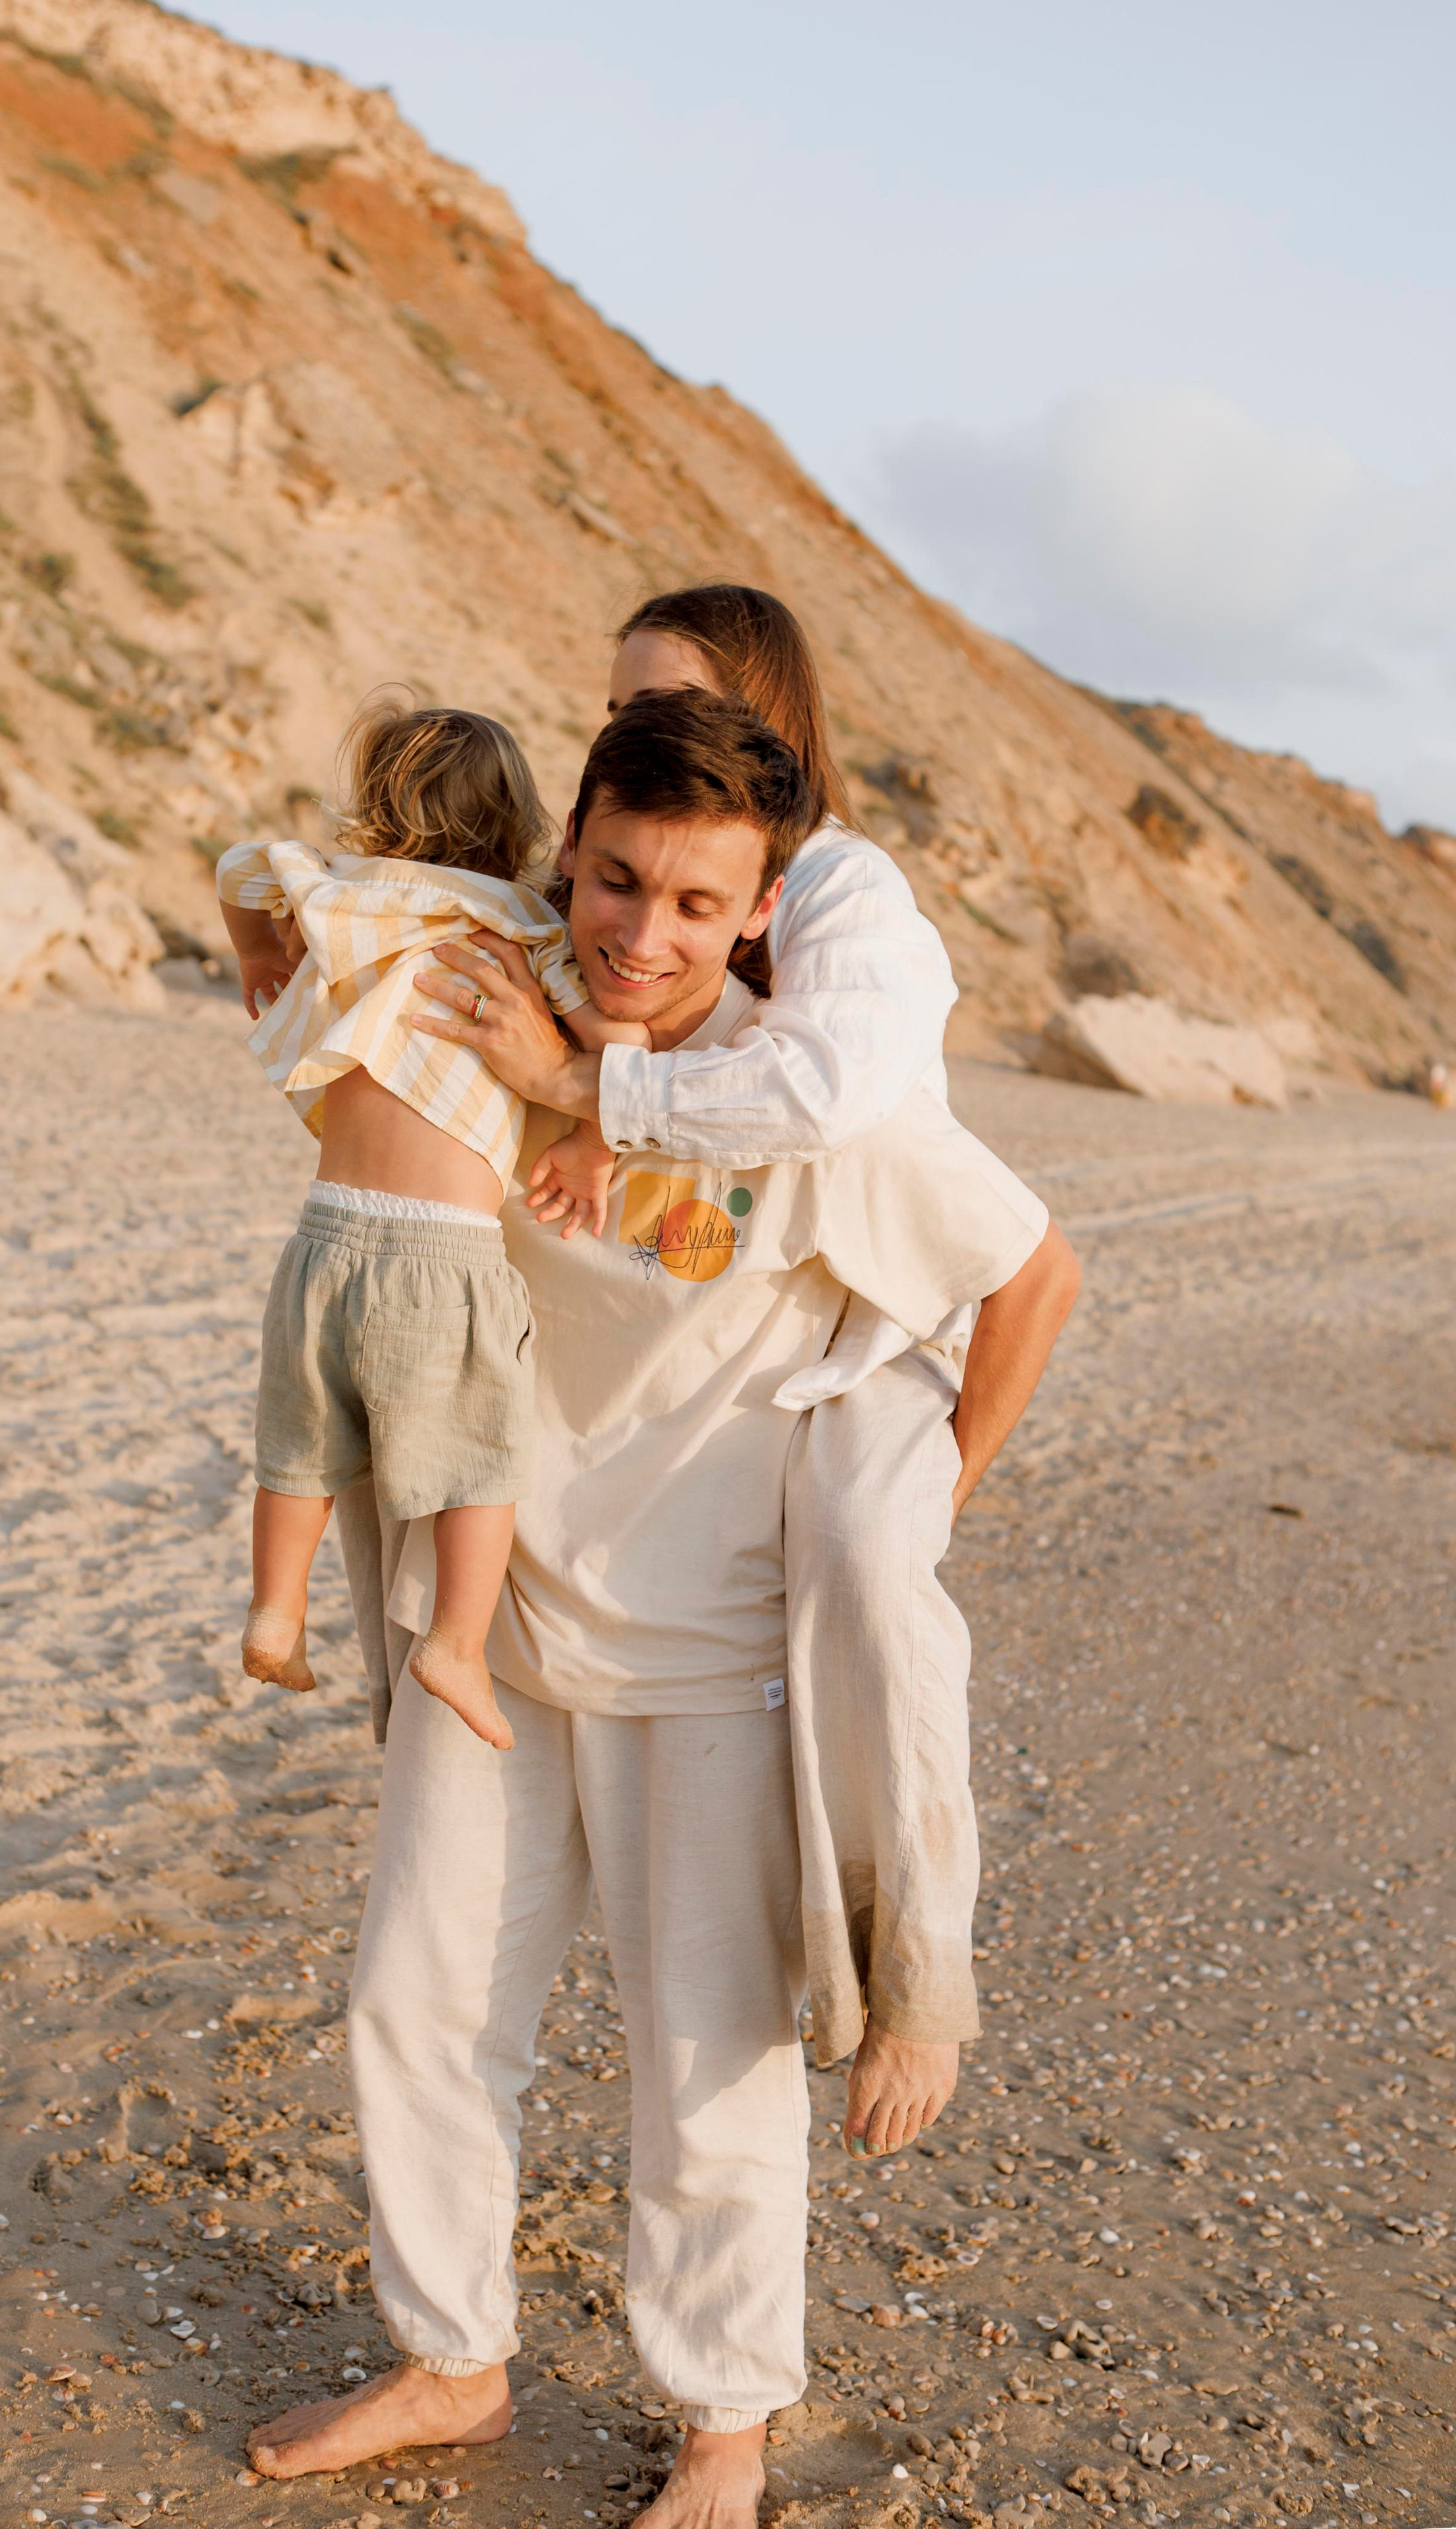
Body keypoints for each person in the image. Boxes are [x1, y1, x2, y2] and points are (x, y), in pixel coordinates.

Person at [247, 690, 1079, 2528]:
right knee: (415, 2001)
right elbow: (317, 971)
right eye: (617, 883)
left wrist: (922, 1506)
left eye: (697, 907)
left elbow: (1035, 1274)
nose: (643, 936)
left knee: (710, 2079)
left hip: (710, 1667)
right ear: (569, 859)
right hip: (501, 1627)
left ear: (759, 915)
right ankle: (453, 2359)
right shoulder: (501, 1007)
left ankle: (723, 2424)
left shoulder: (817, 1104)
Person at [413, 584, 1001, 2152]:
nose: (616, 729)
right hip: (592, 1511)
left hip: (879, 1334)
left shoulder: (845, 897)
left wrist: (596, 1096)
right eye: (609, 712)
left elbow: (824, 1101)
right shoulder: (610, 903)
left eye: (652, 702)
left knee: (878, 1579)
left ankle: (917, 1979)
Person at [215, 695, 642, 1748]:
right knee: (480, 1460)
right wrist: (594, 1137)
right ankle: (454, 1641)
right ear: (518, 824)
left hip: (321, 1237)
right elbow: (619, 1035)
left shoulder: (343, 896)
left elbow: (239, 869)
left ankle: (276, 1609)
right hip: (442, 1256)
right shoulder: (521, 929)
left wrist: (254, 959)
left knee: (302, 1440)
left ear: (378, 808)